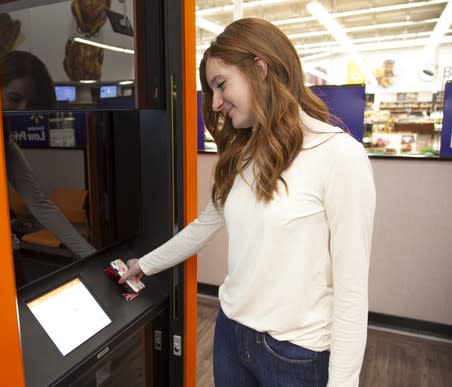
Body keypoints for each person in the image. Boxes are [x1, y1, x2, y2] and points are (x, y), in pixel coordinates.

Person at [119, 18, 375, 387]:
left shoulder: (340, 156)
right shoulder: (244, 155)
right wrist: (144, 265)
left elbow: (352, 292)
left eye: (221, 85)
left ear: (260, 69)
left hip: (296, 355)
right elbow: (204, 227)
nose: (217, 103)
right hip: (231, 336)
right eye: (212, 90)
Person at [0, 50, 96, 260]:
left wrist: (92, 256)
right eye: (14, 98)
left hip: (5, 255)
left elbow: (40, 204)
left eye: (30, 104)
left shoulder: (4, 143)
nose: (21, 109)